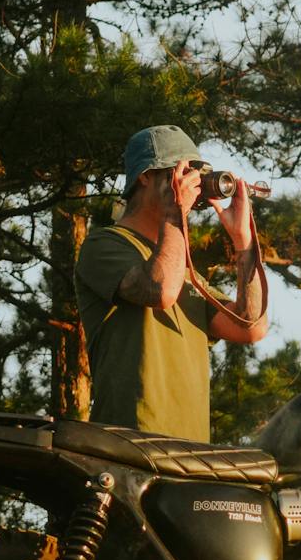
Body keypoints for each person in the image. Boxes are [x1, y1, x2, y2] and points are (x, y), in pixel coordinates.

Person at [74, 124, 268, 441]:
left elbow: (250, 327)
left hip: (192, 453)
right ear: (145, 176)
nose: (190, 186)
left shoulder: (185, 270)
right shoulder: (104, 245)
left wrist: (243, 243)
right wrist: (174, 212)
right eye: (180, 174)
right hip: (130, 445)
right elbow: (161, 291)